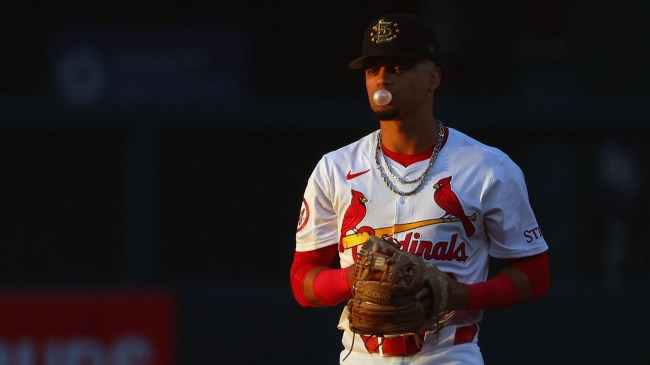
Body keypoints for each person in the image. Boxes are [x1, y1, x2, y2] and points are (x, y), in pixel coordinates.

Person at [290, 13, 550, 365]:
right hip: (362, 354)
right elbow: (303, 279)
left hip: (449, 352)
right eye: (372, 69)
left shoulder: (488, 167)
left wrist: (459, 295)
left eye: (398, 67)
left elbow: (536, 275)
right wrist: (351, 280)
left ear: (434, 76)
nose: (382, 79)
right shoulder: (335, 168)